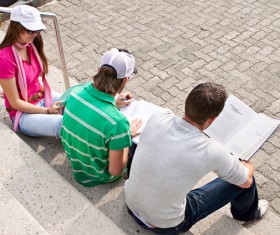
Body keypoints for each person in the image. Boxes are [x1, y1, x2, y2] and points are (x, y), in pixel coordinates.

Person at [125, 82, 269, 234]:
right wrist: (248, 166)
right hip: (166, 226)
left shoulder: (159, 116)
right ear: (211, 120)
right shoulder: (212, 150)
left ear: (187, 101)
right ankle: (248, 214)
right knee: (244, 180)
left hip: (130, 205)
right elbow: (245, 182)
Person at [61, 48, 143, 187]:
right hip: (100, 175)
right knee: (137, 146)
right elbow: (115, 171)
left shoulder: (74, 93)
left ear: (99, 69)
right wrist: (127, 134)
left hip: (76, 162)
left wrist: (114, 102)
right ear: (125, 80)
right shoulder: (118, 123)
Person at [0, 5, 63, 137]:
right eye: (31, 30)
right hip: (23, 114)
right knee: (64, 123)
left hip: (42, 96)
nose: (35, 34)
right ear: (17, 27)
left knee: (76, 103)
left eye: (37, 30)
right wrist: (47, 111)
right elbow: (15, 103)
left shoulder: (32, 43)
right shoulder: (4, 58)